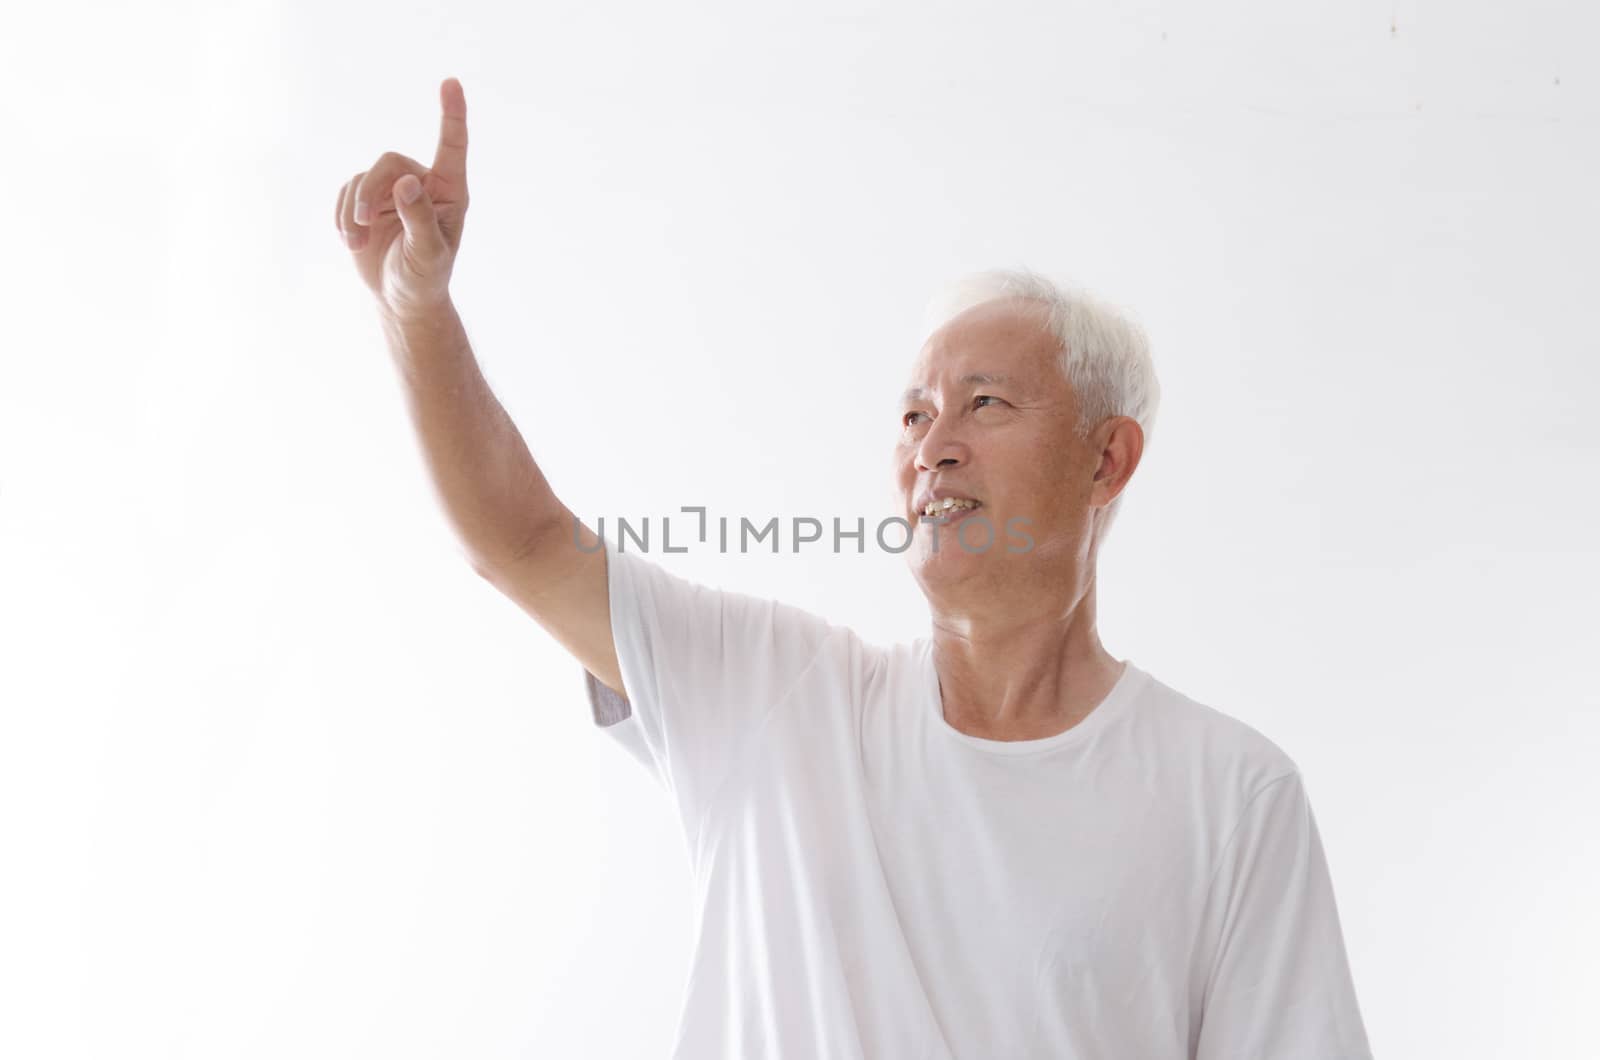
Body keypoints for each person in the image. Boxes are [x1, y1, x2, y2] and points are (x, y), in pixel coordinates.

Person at [334, 77, 1375, 1060]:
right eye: (913, 415)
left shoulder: (1232, 794)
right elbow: (515, 541)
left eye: (985, 403)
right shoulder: (771, 695)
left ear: (1107, 458)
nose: (933, 445)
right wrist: (415, 314)